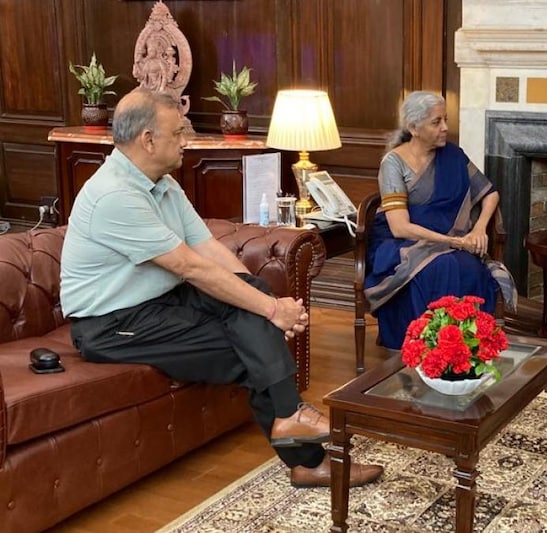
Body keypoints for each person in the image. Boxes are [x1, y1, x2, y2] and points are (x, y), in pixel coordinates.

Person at [60, 89, 383, 488]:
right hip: (110, 324)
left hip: (159, 301)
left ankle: (294, 429)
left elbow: (207, 247)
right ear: (147, 140)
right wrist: (271, 312)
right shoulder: (115, 195)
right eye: (178, 132)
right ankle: (304, 451)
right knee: (250, 342)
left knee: (249, 303)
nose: (186, 140)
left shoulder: (161, 182)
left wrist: (265, 300)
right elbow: (189, 266)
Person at [364, 91, 516, 350]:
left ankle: (466, 349)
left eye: (445, 119)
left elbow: (490, 194)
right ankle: (426, 347)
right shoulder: (393, 164)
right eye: (436, 122)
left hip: (452, 243)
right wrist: (455, 241)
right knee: (442, 267)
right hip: (402, 244)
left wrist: (479, 229)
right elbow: (400, 227)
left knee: (467, 267)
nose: (445, 127)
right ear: (413, 127)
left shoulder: (453, 156)